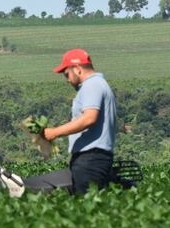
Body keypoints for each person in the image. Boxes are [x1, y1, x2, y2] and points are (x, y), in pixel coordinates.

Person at [24, 48, 117, 195]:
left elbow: (89, 118)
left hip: (90, 159)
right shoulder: (99, 84)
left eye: (67, 74)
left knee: (87, 208)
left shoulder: (92, 85)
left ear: (78, 69)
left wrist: (54, 132)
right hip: (93, 158)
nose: (67, 80)